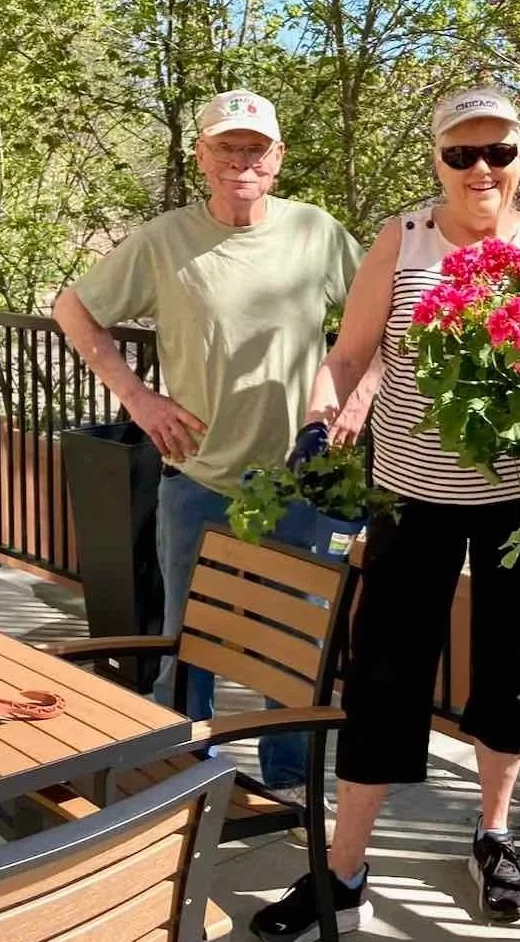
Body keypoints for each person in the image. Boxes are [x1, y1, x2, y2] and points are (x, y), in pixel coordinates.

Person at [249, 86, 520, 942]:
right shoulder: (406, 236)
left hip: (519, 504)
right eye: (460, 154)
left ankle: (493, 835)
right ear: (437, 160)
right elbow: (351, 351)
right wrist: (319, 420)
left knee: (512, 676)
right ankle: (343, 872)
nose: (480, 170)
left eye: (496, 151)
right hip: (409, 498)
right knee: (383, 678)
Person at [53, 89, 371, 804]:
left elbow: (380, 316)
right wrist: (137, 396)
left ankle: (288, 784)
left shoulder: (316, 234)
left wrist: (360, 394)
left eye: (255, 149)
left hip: (299, 479)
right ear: (202, 156)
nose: (241, 162)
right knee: (184, 646)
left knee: (294, 654)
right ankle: (176, 782)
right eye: (226, 147)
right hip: (196, 478)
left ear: (278, 159)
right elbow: (73, 309)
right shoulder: (164, 239)